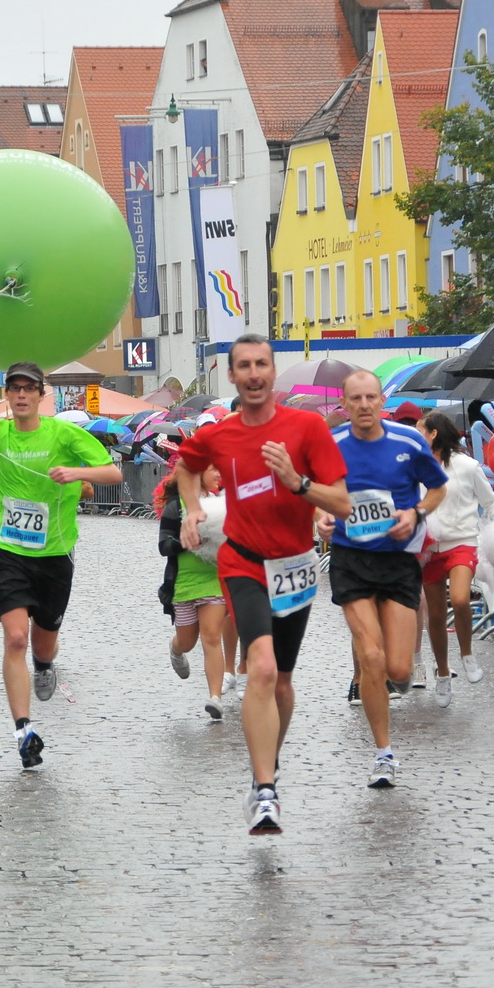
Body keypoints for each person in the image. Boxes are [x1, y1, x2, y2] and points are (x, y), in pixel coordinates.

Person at [0, 323, 121, 769]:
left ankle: (45, 665)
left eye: (29, 388)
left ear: (40, 395)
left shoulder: (63, 435)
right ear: (8, 395)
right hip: (8, 552)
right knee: (15, 637)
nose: (21, 395)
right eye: (14, 388)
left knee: (42, 643)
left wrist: (77, 473)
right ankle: (24, 731)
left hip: (54, 556)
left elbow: (113, 473)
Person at [175, 333, 350, 833]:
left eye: (262, 364)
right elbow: (186, 466)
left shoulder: (307, 428)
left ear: (274, 372)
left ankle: (266, 765)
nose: (254, 374)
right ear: (232, 375)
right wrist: (192, 509)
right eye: (244, 366)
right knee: (263, 668)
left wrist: (298, 483)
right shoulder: (220, 435)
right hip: (243, 564)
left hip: (294, 567)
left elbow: (341, 502)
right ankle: (266, 790)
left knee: (283, 683)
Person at [320, 372, 447, 787]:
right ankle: (383, 754)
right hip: (351, 559)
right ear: (344, 403)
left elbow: (438, 489)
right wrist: (320, 517)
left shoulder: (408, 441)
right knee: (371, 657)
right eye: (355, 398)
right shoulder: (332, 443)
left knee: (397, 667)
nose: (363, 405)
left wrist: (416, 513)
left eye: (370, 397)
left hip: (397, 560)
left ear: (381, 401)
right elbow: (317, 491)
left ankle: (401, 677)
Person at [418, 410, 494, 704]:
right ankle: (442, 673)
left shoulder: (467, 466)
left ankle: (467, 653)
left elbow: (491, 501)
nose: (416, 435)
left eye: (420, 430)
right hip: (428, 547)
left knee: (461, 598)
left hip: (462, 542)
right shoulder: (416, 464)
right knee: (435, 616)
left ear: (434, 434)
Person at [157, 465, 230, 719]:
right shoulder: (176, 506)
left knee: (212, 637)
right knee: (187, 642)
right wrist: (188, 540)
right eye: (213, 469)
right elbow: (163, 546)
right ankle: (175, 648)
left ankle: (215, 698)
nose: (219, 474)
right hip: (183, 584)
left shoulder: (221, 505)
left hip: (214, 581)